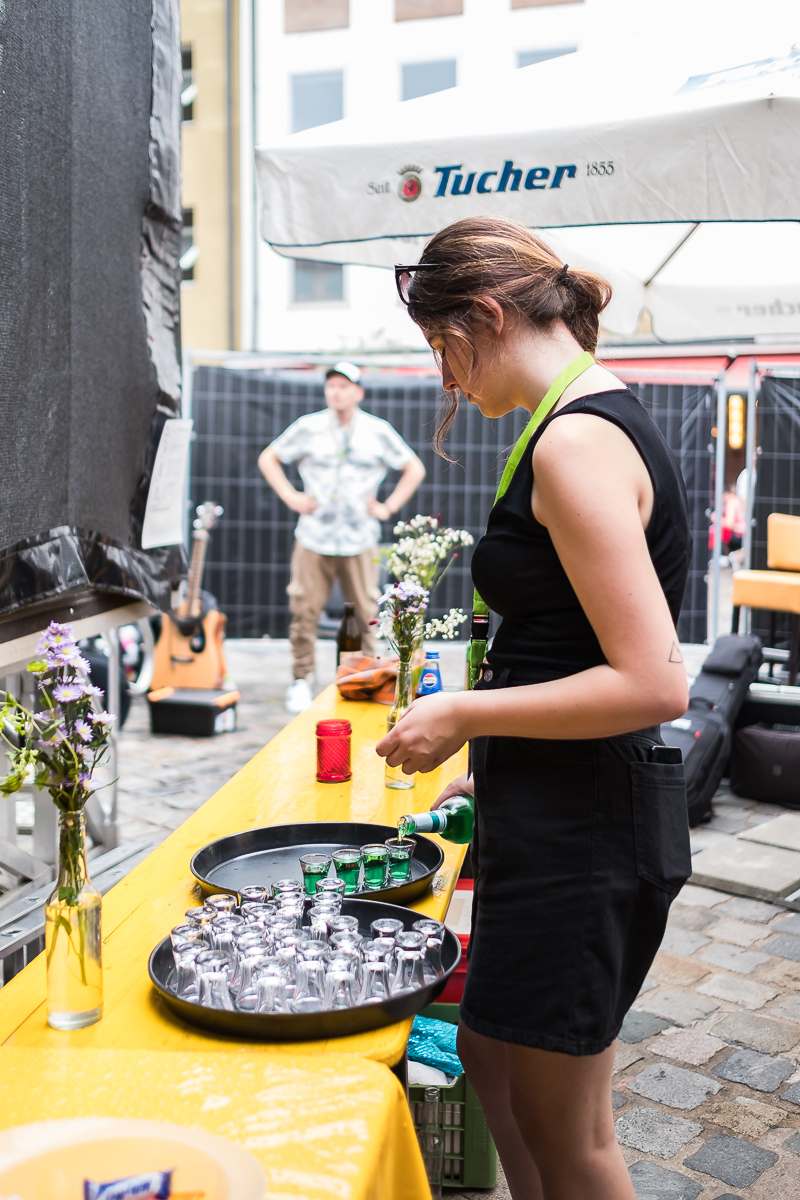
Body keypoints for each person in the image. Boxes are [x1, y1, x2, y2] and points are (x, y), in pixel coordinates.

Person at [377, 218, 692, 1200]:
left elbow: (652, 682)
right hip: (553, 808)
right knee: (490, 1057)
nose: (444, 379)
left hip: (587, 831)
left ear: (484, 314)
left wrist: (467, 712)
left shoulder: (574, 443)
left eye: (442, 347)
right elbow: (569, 641)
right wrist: (496, 749)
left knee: (572, 1136)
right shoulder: (574, 423)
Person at [259, 362, 425, 712]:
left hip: (359, 536)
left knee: (368, 610)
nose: (337, 391)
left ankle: (369, 677)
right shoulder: (309, 427)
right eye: (332, 385)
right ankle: (301, 680)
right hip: (314, 534)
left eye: (345, 386)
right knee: (304, 609)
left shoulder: (376, 431)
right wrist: (291, 497)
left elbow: (414, 467)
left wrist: (387, 506)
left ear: (358, 392)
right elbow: (269, 457)